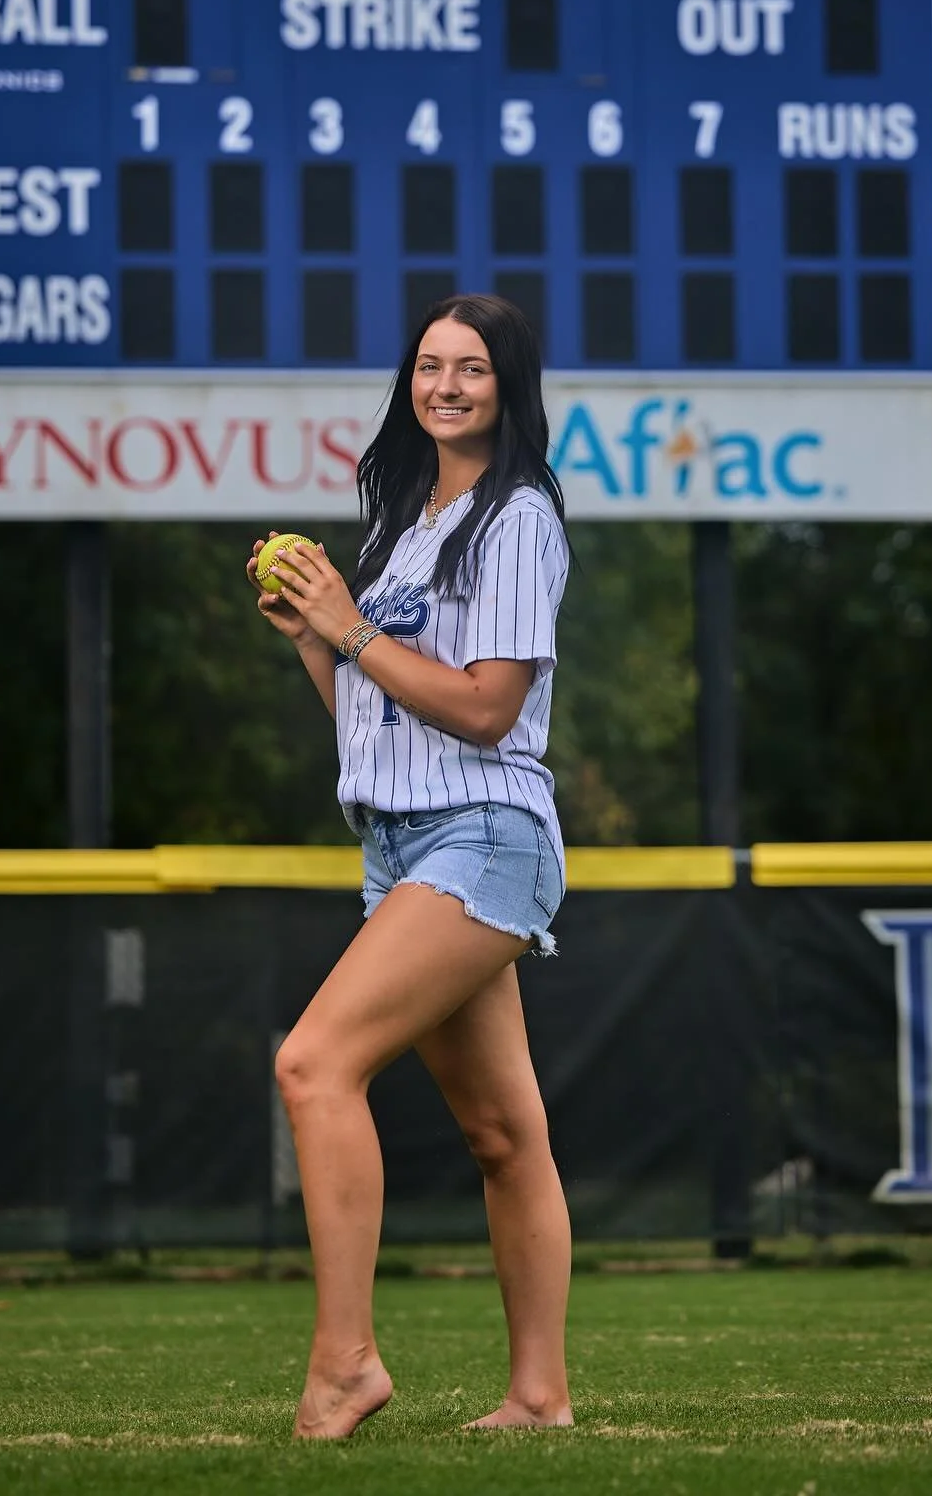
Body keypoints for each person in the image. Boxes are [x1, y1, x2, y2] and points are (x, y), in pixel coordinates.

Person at [246, 293, 574, 1440]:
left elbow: (487, 712)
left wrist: (349, 628)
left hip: (483, 834)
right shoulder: (406, 523)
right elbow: (373, 713)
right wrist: (313, 632)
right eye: (430, 365)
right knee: (502, 1136)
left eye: (472, 369)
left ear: (508, 386)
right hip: (402, 842)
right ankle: (539, 1399)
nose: (445, 385)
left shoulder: (516, 515)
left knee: (313, 1065)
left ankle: (345, 1364)